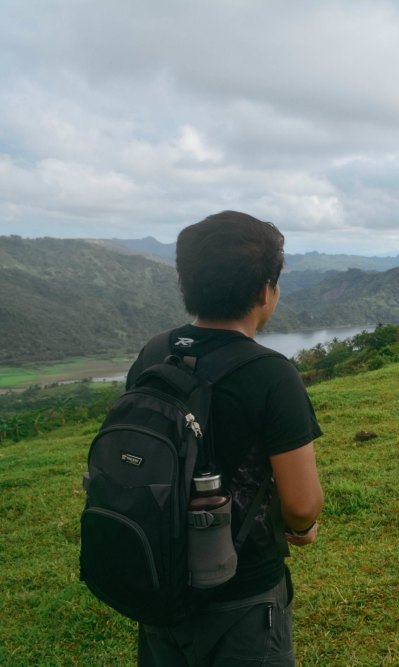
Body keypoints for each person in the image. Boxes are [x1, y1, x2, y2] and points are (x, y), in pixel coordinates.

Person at [129, 211, 324, 666]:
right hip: (243, 597)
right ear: (265, 290)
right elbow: (301, 504)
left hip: (160, 582)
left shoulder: (155, 353)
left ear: (187, 285)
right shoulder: (271, 374)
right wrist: (303, 529)